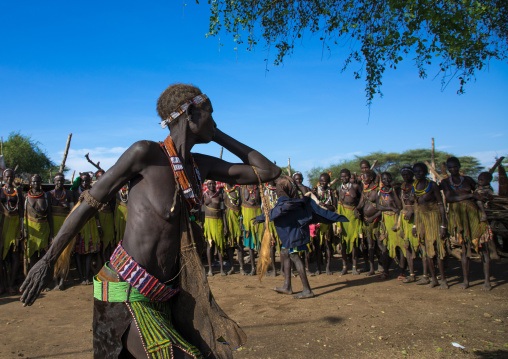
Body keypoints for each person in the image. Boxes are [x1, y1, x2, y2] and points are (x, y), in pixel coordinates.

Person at [21, 83, 280, 358]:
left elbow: (267, 170)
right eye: (210, 113)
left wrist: (216, 134)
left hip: (165, 295)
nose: (215, 121)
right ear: (190, 113)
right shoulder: (145, 153)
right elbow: (88, 204)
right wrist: (47, 261)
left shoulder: (199, 166)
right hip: (126, 290)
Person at [255, 175, 347, 298]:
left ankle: (307, 290)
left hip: (293, 230)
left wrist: (262, 217)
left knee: (294, 256)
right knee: (284, 252)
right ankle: (287, 286)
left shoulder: (283, 190)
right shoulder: (288, 186)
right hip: (292, 229)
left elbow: (282, 207)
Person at [441, 157, 492, 290]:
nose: (453, 170)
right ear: (447, 168)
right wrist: (469, 196)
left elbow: (479, 193)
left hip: (474, 215)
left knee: (482, 246)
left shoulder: (468, 180)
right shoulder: (445, 182)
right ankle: (466, 281)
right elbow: (450, 198)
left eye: (455, 167)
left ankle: (487, 280)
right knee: (464, 249)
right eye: (450, 168)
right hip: (458, 218)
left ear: (459, 166)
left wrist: (482, 197)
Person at [412, 162, 449, 289]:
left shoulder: (432, 185)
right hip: (421, 220)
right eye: (416, 172)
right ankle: (433, 279)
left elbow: (440, 204)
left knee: (438, 249)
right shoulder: (414, 187)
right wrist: (414, 226)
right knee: (427, 251)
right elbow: (416, 207)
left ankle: (443, 279)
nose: (418, 174)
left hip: (434, 219)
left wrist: (443, 225)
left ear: (426, 172)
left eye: (421, 171)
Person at [396, 167, 427, 283]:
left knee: (421, 245)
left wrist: (412, 211)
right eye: (403, 174)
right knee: (407, 246)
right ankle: (412, 274)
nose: (405, 176)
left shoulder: (418, 186)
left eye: (408, 174)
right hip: (405, 219)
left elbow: (422, 202)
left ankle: (425, 275)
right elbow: (400, 204)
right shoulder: (401, 188)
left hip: (418, 218)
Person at [72, 172, 101, 285]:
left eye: (87, 180)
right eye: (83, 180)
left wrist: (98, 225)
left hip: (91, 224)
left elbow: (96, 209)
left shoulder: (94, 192)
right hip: (79, 224)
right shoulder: (74, 193)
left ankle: (87, 276)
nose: (85, 182)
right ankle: (80, 276)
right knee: (78, 252)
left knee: (89, 251)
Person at [48, 172, 74, 290]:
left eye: (61, 181)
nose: (59, 183)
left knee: (65, 254)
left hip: (65, 226)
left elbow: (73, 210)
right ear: (54, 181)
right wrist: (51, 233)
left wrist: (67, 205)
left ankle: (62, 280)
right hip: (54, 227)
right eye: (57, 181)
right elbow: (48, 215)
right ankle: (55, 280)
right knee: (54, 255)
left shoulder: (68, 194)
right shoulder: (49, 195)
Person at [0, 168, 23, 295]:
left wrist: (21, 229)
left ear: (14, 177)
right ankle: (2, 284)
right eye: (7, 177)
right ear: (3, 178)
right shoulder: (0, 191)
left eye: (11, 177)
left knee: (14, 255)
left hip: (14, 226)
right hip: (3, 226)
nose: (9, 179)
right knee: (1, 256)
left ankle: (11, 284)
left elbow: (20, 211)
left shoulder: (17, 191)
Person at [376, 172, 403, 280]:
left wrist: (393, 192)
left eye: (388, 178)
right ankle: (386, 271)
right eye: (384, 179)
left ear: (392, 179)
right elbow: (378, 206)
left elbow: (399, 205)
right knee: (386, 247)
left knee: (400, 246)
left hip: (396, 220)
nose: (386, 180)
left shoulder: (397, 190)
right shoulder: (380, 192)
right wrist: (390, 208)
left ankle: (402, 272)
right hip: (386, 221)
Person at [336, 169, 362, 275]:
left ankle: (355, 267)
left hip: (353, 216)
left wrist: (358, 208)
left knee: (354, 242)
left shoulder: (355, 187)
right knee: (343, 243)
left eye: (346, 176)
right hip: (343, 216)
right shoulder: (339, 189)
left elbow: (362, 198)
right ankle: (345, 267)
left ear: (349, 176)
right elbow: (338, 203)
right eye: (342, 177)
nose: (344, 178)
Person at [356, 169, 382, 276]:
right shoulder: (365, 191)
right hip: (367, 222)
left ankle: (383, 267)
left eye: (365, 177)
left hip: (377, 222)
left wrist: (374, 217)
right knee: (369, 245)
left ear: (371, 178)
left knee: (380, 245)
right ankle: (371, 268)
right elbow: (360, 204)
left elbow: (382, 208)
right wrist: (357, 210)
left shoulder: (378, 190)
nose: (363, 179)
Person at [24, 174, 53, 269]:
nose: (36, 183)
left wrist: (52, 233)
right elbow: (22, 215)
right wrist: (23, 229)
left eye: (38, 181)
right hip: (32, 231)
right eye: (33, 181)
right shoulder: (26, 197)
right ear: (30, 183)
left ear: (41, 183)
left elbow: (49, 215)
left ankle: (42, 276)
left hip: (44, 230)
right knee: (32, 255)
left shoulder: (46, 196)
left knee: (43, 255)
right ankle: (32, 276)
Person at [312, 173, 337, 275]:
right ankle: (318, 267)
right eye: (321, 181)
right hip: (317, 221)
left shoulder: (331, 192)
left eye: (325, 181)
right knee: (317, 246)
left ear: (329, 181)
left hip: (327, 221)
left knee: (327, 245)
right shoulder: (315, 192)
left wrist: (326, 206)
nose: (323, 183)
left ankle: (328, 267)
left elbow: (334, 207)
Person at [203, 180, 227, 276]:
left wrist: (225, 226)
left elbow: (223, 212)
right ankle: (210, 269)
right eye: (209, 184)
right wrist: (201, 223)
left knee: (219, 245)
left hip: (218, 222)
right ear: (207, 185)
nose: (211, 185)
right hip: (208, 222)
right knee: (209, 245)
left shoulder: (219, 196)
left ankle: (221, 269)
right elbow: (202, 210)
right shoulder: (205, 196)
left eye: (213, 183)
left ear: (216, 185)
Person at [241, 184, 264, 276]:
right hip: (247, 218)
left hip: (258, 216)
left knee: (260, 242)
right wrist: (240, 221)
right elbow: (239, 205)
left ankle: (262, 266)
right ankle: (253, 268)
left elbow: (262, 205)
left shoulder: (260, 189)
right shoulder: (241, 189)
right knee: (250, 245)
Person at [96, 170, 116, 262]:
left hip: (110, 218)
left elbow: (113, 206)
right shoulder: (94, 191)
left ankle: (110, 261)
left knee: (110, 242)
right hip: (101, 218)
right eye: (100, 177)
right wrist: (98, 224)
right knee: (102, 243)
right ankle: (103, 263)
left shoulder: (111, 190)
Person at [224, 183, 244, 275]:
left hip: (237, 219)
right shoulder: (222, 191)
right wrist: (225, 226)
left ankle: (241, 267)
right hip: (228, 222)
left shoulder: (238, 190)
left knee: (239, 244)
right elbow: (222, 210)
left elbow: (241, 206)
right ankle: (232, 267)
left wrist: (241, 221)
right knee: (229, 246)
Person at [265, 180, 280, 276]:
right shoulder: (265, 191)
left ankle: (284, 269)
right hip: (269, 221)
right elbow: (264, 207)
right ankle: (274, 269)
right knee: (271, 246)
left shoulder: (280, 189)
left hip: (280, 220)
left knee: (282, 245)